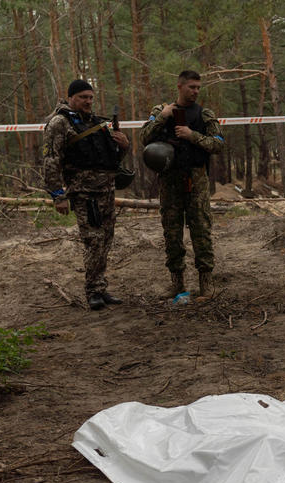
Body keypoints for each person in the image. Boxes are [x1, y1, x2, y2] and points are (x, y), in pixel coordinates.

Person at [42, 79, 130, 311]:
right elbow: (51, 160)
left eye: (91, 97)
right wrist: (58, 195)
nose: (88, 102)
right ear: (71, 97)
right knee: (93, 240)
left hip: (106, 190)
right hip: (84, 194)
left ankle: (100, 286)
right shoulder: (60, 123)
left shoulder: (96, 122)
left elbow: (108, 159)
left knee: (106, 240)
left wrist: (124, 146)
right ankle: (92, 291)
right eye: (83, 97)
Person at [140, 70, 224, 299]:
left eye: (198, 87)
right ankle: (177, 283)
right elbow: (144, 137)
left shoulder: (205, 115)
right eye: (191, 87)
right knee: (172, 233)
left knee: (201, 231)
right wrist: (163, 116)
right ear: (180, 86)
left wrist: (192, 135)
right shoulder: (161, 111)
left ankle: (206, 282)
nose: (196, 91)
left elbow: (218, 144)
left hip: (196, 181)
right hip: (170, 182)